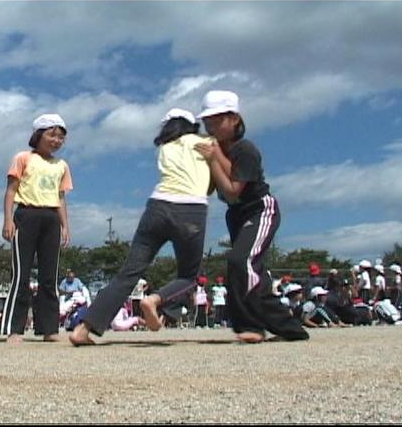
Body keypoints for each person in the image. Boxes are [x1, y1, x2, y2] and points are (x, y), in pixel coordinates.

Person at [69, 108, 215, 346]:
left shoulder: (165, 147)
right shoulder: (206, 142)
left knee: (129, 273)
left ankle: (84, 328)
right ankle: (155, 301)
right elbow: (208, 186)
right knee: (189, 276)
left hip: (157, 207)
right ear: (192, 126)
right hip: (191, 210)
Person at [194, 90, 308, 343]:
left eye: (217, 119)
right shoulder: (216, 149)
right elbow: (214, 186)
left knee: (240, 261)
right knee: (252, 273)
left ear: (234, 119)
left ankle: (251, 326)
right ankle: (290, 329)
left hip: (259, 209)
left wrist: (213, 159)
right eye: (207, 120)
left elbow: (233, 191)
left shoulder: (246, 150)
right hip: (236, 215)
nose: (210, 125)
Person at [0, 113, 73, 344]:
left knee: (49, 276)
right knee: (21, 274)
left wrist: (65, 225)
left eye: (61, 137)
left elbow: (60, 197)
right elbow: (11, 190)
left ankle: (49, 329)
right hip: (26, 214)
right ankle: (14, 329)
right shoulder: (23, 158)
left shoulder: (61, 165)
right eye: (52, 134)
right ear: (38, 135)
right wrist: (8, 220)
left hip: (51, 217)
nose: (56, 141)